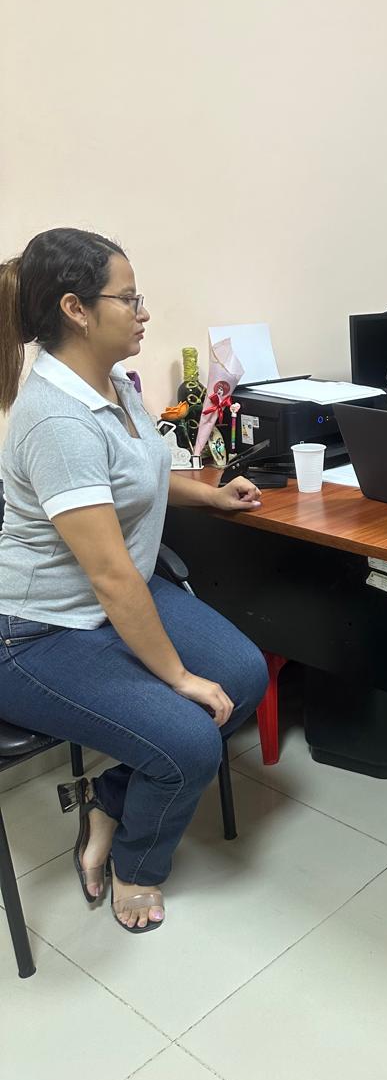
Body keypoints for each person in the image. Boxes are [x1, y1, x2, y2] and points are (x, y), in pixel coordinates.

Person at [0, 228, 269, 934]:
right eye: (129, 298)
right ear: (76, 310)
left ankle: (109, 799)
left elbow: (139, 477)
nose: (143, 311)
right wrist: (178, 677)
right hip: (35, 634)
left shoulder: (113, 383)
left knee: (244, 676)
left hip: (109, 602)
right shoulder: (56, 420)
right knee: (190, 742)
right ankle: (137, 864)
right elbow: (112, 575)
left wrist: (211, 496)